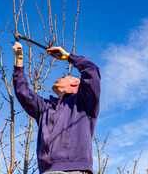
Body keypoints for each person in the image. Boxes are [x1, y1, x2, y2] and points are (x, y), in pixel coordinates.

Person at [12, 42, 101, 174]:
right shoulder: (45, 108)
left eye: (63, 77)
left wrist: (67, 56)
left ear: (75, 82)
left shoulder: (84, 102)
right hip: (47, 171)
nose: (55, 80)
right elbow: (22, 91)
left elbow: (91, 70)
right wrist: (19, 57)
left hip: (75, 170)